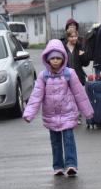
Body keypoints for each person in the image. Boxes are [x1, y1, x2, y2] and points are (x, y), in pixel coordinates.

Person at [23, 40, 94, 176]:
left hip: (68, 113)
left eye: (58, 58)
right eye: (53, 58)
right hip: (51, 116)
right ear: (47, 60)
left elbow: (80, 93)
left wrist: (87, 111)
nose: (55, 61)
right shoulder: (43, 76)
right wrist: (29, 113)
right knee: (55, 142)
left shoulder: (69, 74)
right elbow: (36, 96)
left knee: (68, 140)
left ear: (63, 58)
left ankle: (71, 164)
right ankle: (58, 166)